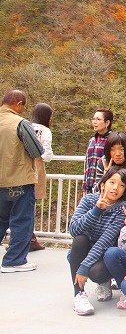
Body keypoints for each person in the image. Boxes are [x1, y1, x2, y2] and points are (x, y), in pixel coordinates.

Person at [68, 167, 126, 315]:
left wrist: (84, 267)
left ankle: (104, 281)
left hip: (104, 253)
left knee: (96, 273)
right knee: (80, 240)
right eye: (112, 182)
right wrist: (96, 210)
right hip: (84, 249)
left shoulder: (122, 208)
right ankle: (79, 294)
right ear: (103, 184)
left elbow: (105, 241)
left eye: (121, 185)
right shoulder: (89, 200)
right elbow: (74, 229)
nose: (115, 188)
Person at [0, 90, 44, 273]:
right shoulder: (20, 123)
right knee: (21, 220)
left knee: (1, 220)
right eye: (23, 106)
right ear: (18, 104)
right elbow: (36, 151)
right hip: (19, 179)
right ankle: (14, 260)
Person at [30, 102, 54, 251]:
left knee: (19, 206)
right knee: (30, 205)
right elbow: (47, 155)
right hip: (36, 169)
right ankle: (29, 240)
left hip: (21, 168)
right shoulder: (44, 130)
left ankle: (22, 239)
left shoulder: (25, 126)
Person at [82, 108, 114, 194]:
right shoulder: (92, 140)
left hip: (104, 184)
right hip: (89, 185)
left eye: (98, 119)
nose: (94, 122)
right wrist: (84, 185)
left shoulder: (113, 140)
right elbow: (87, 163)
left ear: (107, 123)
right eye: (93, 119)